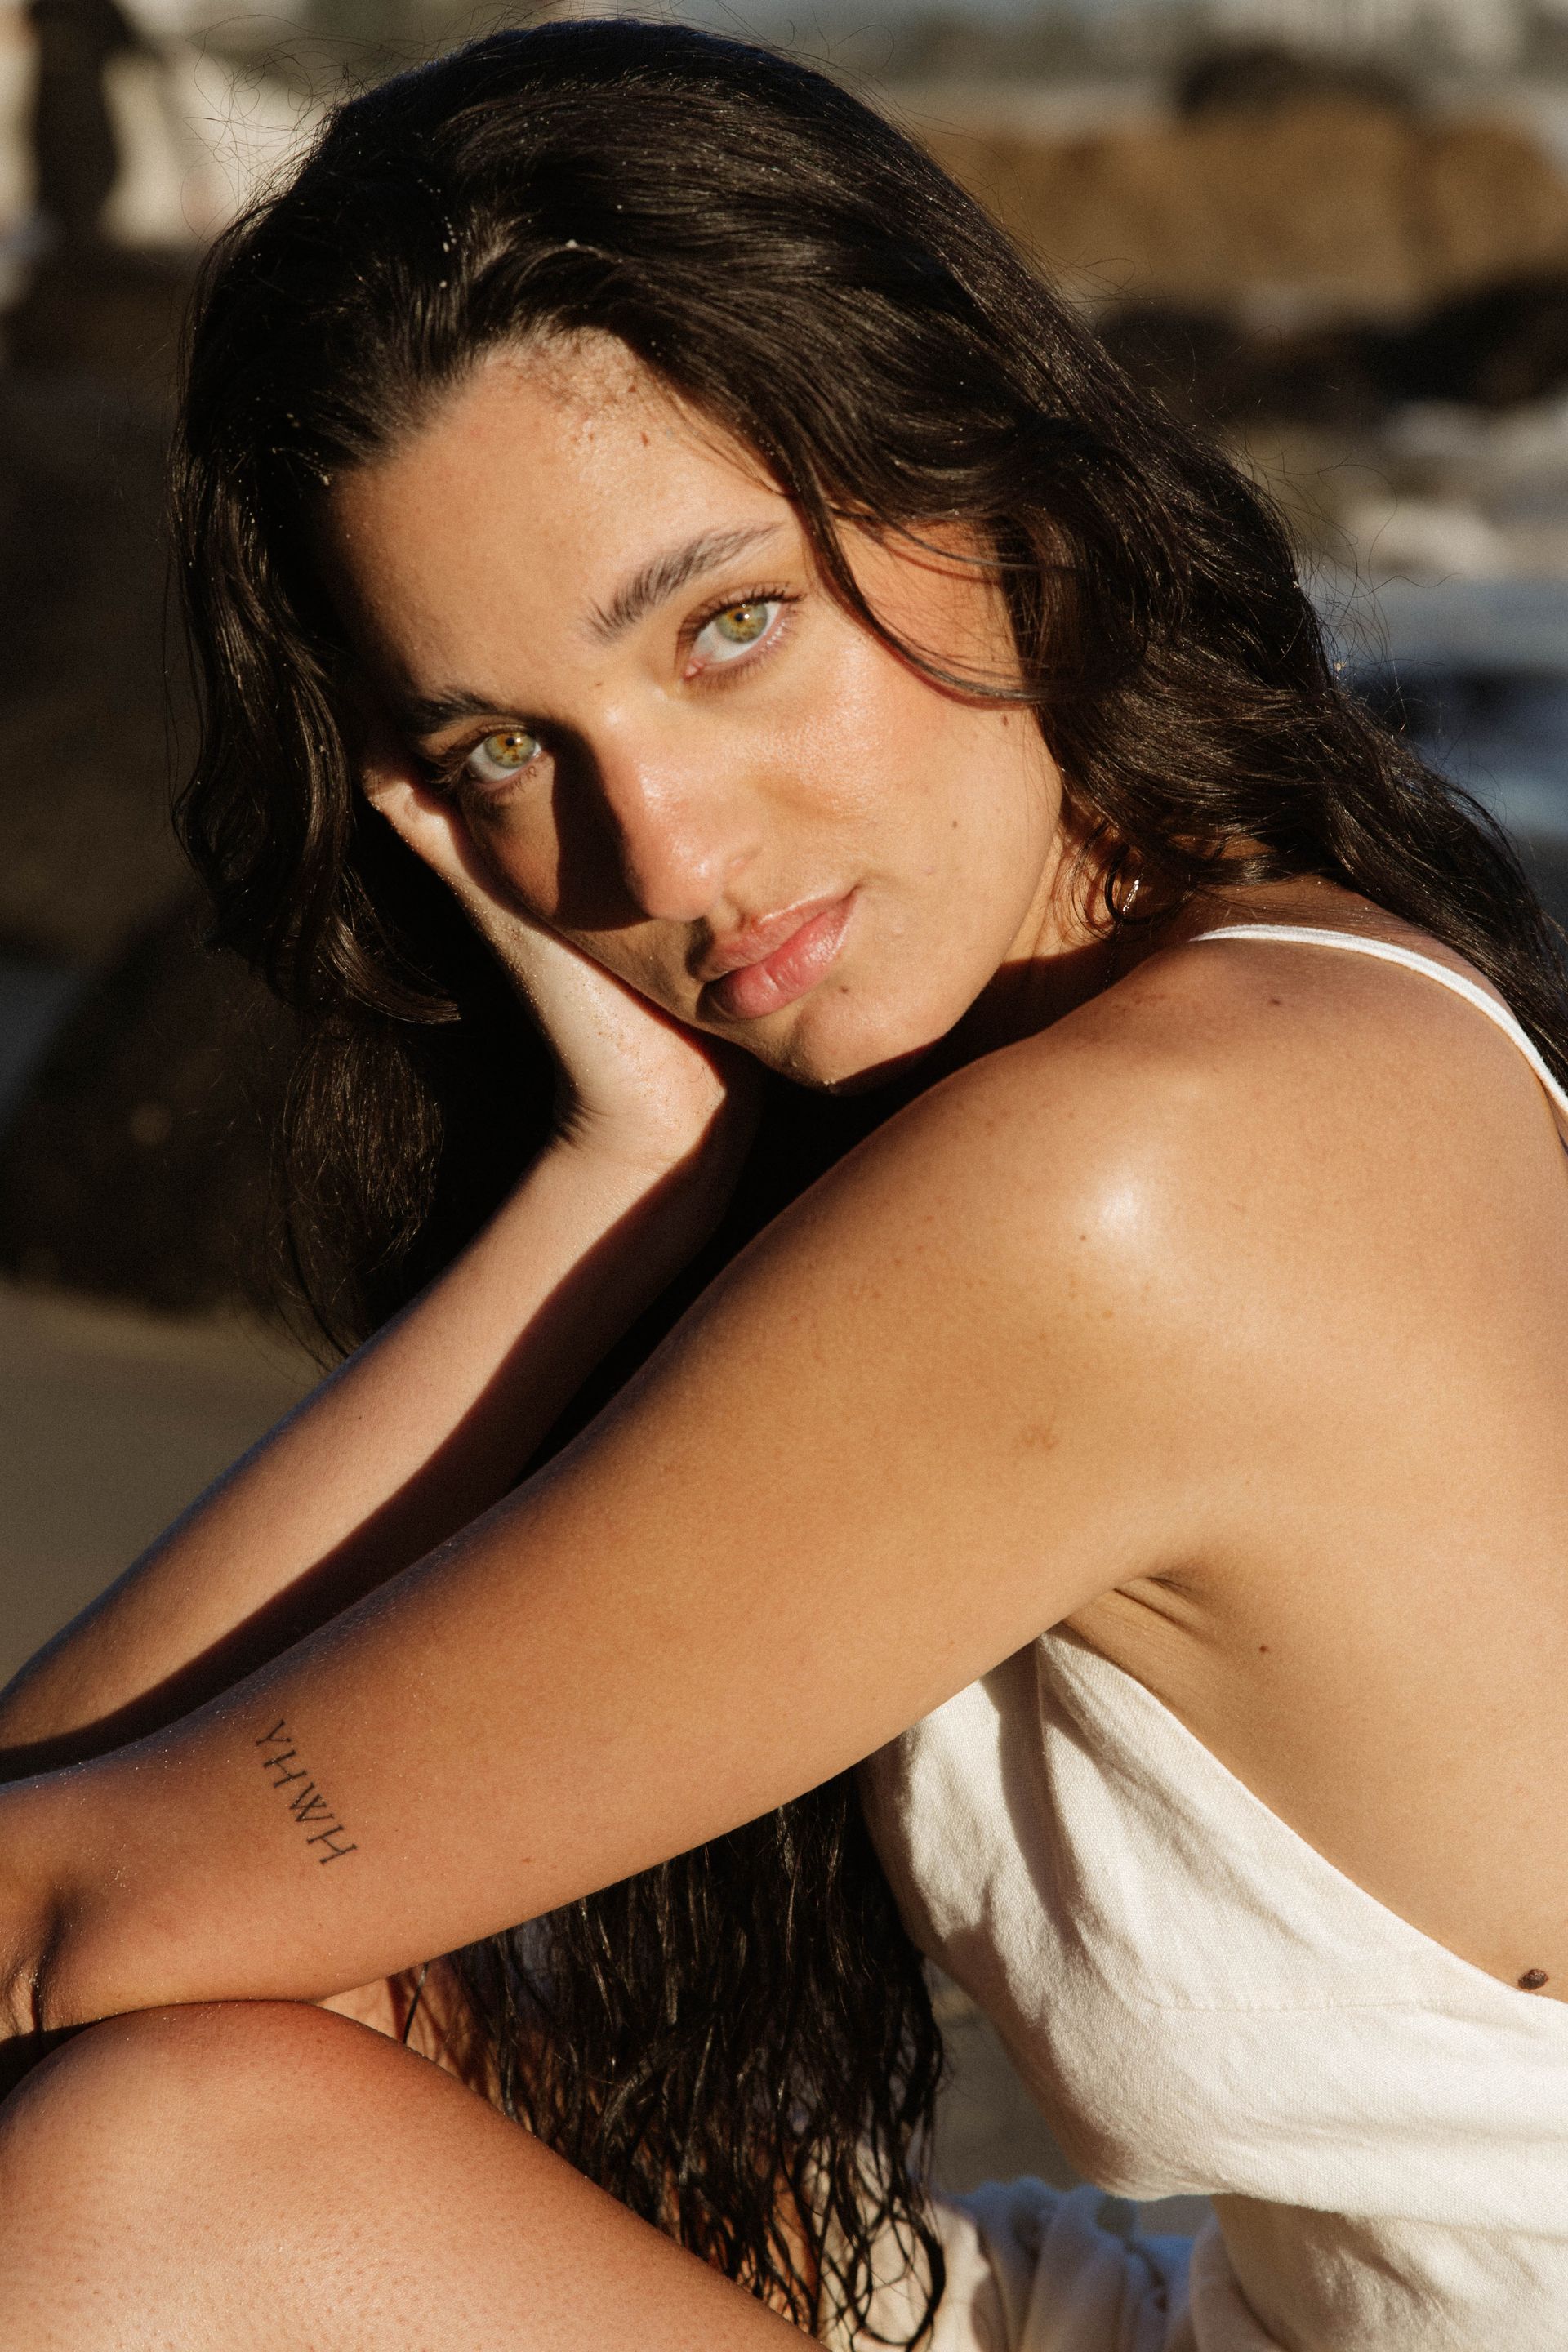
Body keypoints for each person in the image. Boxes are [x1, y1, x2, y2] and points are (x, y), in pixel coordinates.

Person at [1, 23, 1566, 2349]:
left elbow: (53, 1923)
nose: (664, 855)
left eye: (727, 626)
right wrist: (621, 1173)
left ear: (996, 505)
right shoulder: (1283, 986)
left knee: (133, 2195)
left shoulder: (1135, 1180)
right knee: (210, 2102)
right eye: (508, 749)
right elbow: (73, 1846)